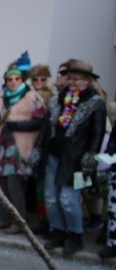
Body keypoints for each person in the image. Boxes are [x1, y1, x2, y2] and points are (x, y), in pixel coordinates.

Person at [29, 60, 107, 256]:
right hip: (53, 156)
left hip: (75, 160)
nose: (71, 82)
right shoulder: (57, 101)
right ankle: (57, 232)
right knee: (51, 198)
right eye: (69, 77)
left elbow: (97, 134)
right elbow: (46, 130)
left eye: (76, 78)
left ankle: (75, 235)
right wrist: (37, 150)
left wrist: (90, 158)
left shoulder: (95, 104)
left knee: (68, 199)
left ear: (88, 81)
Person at [0, 65, 47, 234]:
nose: (13, 82)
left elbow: (39, 122)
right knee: (0, 186)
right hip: (1, 146)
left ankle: (19, 221)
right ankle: (3, 218)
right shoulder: (1, 97)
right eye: (10, 79)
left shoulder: (31, 97)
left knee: (15, 186)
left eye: (17, 79)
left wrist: (15, 124)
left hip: (19, 148)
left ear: (22, 80)